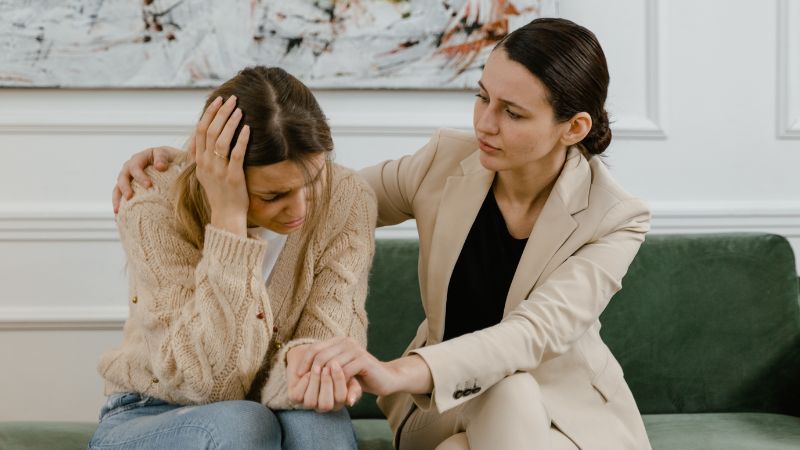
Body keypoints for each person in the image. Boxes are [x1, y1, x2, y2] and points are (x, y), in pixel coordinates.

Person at [113, 18, 651, 450]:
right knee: (503, 399)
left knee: (510, 392)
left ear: (573, 127)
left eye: (511, 113)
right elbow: (311, 189)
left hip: (566, 414)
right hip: (447, 406)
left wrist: (396, 372)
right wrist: (189, 165)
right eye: (481, 97)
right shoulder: (446, 163)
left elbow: (531, 334)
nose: (484, 123)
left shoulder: (616, 216)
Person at [93, 66, 376, 450]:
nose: (300, 209)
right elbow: (208, 384)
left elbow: (323, 363)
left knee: (319, 423)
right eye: (273, 196)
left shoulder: (347, 197)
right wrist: (229, 223)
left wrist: (307, 365)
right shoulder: (152, 204)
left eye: (313, 181)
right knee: (244, 424)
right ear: (219, 174)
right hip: (152, 412)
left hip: (276, 404)